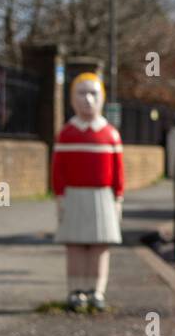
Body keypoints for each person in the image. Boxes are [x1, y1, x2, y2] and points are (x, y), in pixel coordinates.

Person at [52, 72, 124, 312]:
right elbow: (58, 169)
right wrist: (60, 196)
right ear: (72, 98)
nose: (87, 99)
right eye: (81, 93)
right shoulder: (66, 133)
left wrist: (118, 198)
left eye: (93, 93)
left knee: (99, 247)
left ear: (101, 97)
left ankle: (97, 291)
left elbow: (118, 172)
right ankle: (75, 290)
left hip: (103, 197)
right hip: (74, 197)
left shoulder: (110, 135)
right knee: (75, 246)